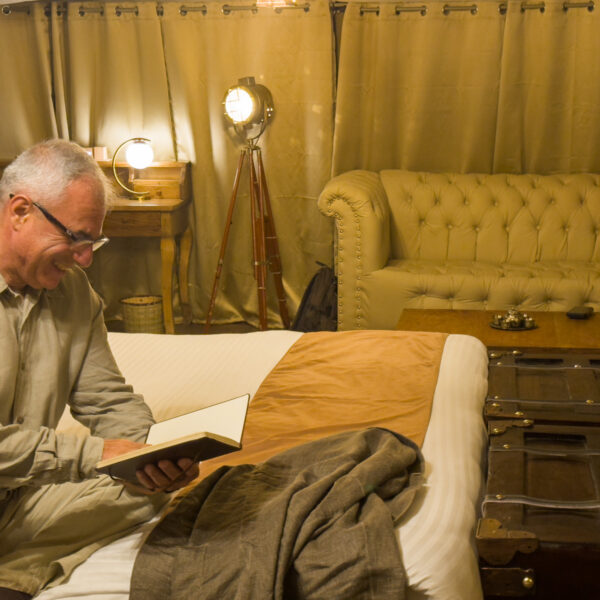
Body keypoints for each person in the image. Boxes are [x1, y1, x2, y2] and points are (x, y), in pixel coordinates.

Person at [0, 140, 199, 599]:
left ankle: (12, 575)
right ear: (20, 212)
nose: (85, 257)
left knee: (143, 490)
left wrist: (150, 457)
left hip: (17, 497)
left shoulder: (73, 293)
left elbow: (107, 398)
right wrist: (99, 456)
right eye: (76, 238)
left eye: (93, 241)